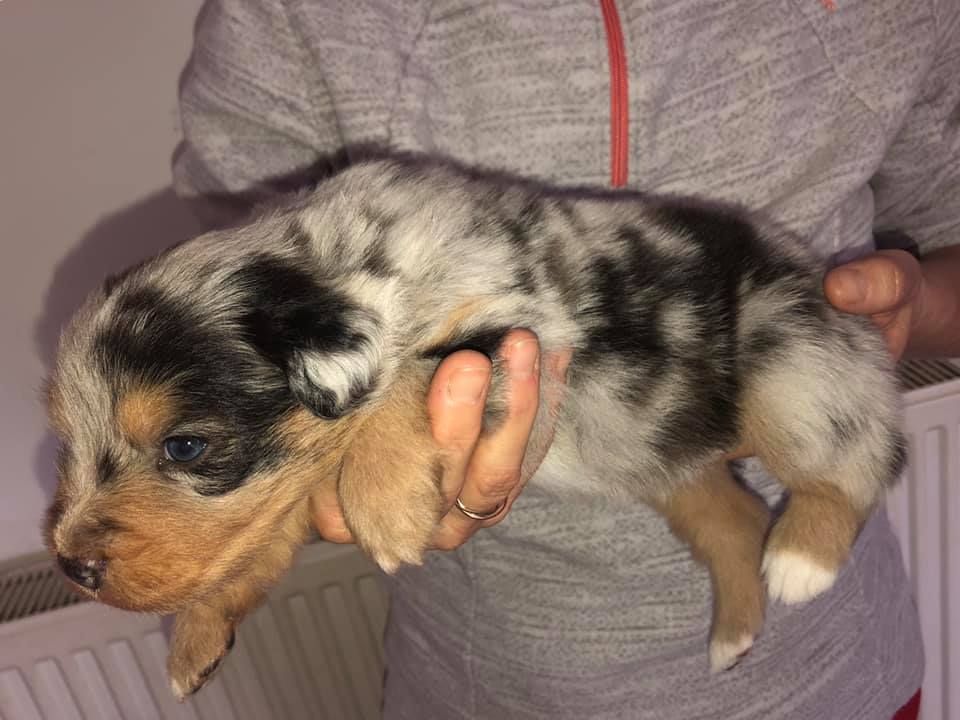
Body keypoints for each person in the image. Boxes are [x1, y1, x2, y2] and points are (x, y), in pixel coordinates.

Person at [172, 1, 960, 717]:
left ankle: (822, 502)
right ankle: (739, 563)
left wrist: (911, 308)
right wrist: (231, 557)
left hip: (833, 681)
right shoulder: (291, 23)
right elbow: (246, 374)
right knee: (694, 496)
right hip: (485, 685)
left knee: (766, 442)